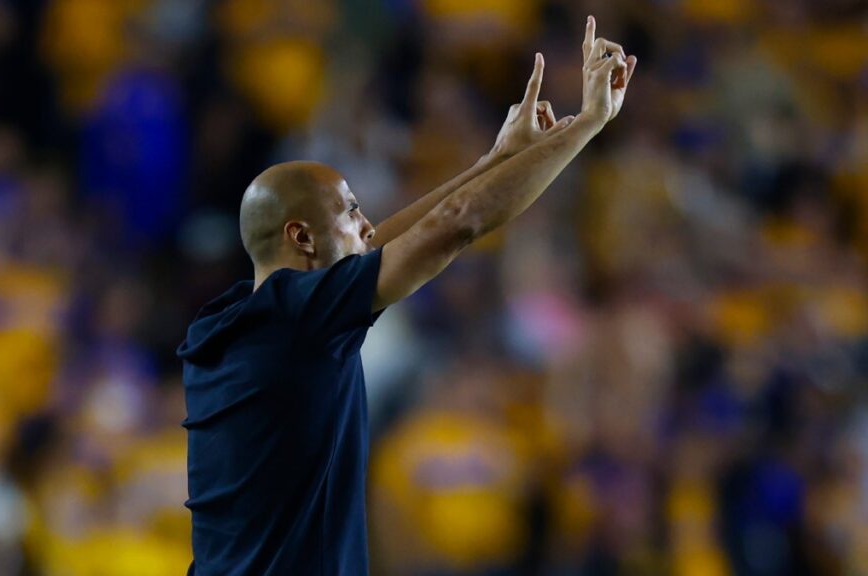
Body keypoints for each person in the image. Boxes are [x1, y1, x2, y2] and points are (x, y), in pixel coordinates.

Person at [178, 16, 636, 576]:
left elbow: (379, 244)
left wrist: (496, 160)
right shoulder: (298, 319)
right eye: (350, 210)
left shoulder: (234, 320)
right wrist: (587, 124)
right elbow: (456, 224)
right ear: (301, 236)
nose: (367, 223)